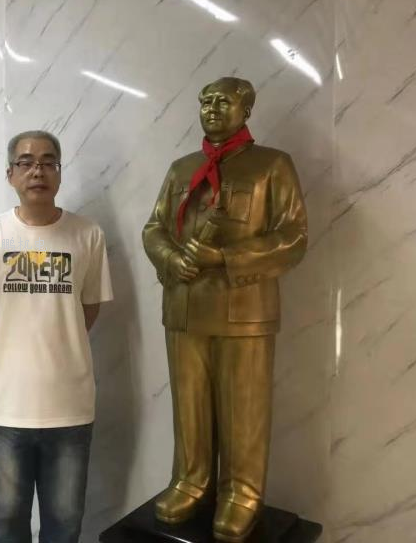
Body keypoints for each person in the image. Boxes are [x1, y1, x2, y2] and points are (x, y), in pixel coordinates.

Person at [142, 77, 308, 542]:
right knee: (189, 406)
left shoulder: (272, 165)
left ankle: (242, 493)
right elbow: (154, 228)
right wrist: (170, 258)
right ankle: (191, 481)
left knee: (244, 407)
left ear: (246, 109)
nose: (212, 108)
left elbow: (293, 236)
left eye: (224, 101)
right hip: (183, 305)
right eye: (206, 101)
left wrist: (227, 258)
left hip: (244, 310)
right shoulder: (182, 170)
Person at [0, 130, 113, 543]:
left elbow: (89, 308)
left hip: (69, 412)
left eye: (48, 162)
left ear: (59, 172)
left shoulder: (88, 234)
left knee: (64, 528)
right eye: (26, 162)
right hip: (4, 412)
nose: (38, 171)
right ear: (10, 174)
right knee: (8, 528)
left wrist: (59, 344)